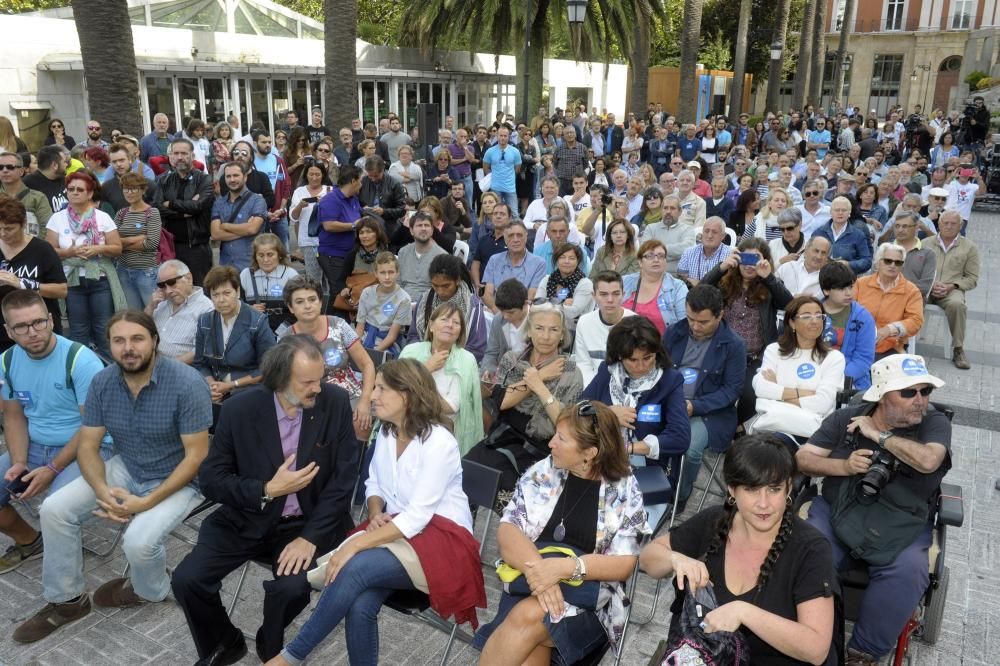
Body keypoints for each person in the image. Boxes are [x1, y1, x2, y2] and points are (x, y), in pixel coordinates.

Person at [266, 359, 486, 666]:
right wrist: (375, 509)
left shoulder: (439, 442)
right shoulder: (386, 432)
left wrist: (356, 543)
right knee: (359, 604)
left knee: (355, 566)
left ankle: (289, 657)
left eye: (382, 388)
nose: (371, 396)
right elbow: (373, 483)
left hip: (442, 540)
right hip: (397, 533)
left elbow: (418, 516)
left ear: (407, 394)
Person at [13, 310, 212, 644]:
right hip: (128, 464)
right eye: (118, 341)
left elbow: (197, 457)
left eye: (137, 339)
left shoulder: (186, 383)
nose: (128, 348)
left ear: (154, 341)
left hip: (181, 478)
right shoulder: (104, 382)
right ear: (109, 345)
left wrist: (145, 503)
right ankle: (69, 601)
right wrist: (104, 492)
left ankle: (150, 589)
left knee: (139, 542)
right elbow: (88, 446)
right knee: (54, 509)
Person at [172, 335, 360, 664]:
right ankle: (225, 642)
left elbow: (343, 482)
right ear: (279, 380)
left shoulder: (335, 401)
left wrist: (309, 538)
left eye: (320, 379)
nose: (317, 388)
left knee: (292, 589)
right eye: (307, 382)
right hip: (247, 516)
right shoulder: (238, 410)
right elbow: (212, 479)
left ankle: (269, 642)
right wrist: (267, 490)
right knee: (187, 580)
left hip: (306, 523)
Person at [796, 354, 950, 666]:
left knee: (909, 571)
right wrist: (843, 465)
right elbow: (803, 458)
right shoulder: (845, 419)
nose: (920, 400)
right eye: (909, 392)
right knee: (809, 552)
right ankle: (807, 636)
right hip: (838, 509)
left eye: (926, 391)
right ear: (881, 395)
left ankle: (863, 654)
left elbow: (929, 460)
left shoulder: (934, 423)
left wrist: (880, 436)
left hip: (902, 519)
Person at [474, 400, 650, 664]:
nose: (550, 443)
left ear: (589, 452)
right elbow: (508, 530)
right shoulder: (547, 470)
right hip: (531, 585)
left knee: (528, 616)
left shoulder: (624, 490)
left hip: (589, 603)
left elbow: (623, 564)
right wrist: (542, 575)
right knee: (530, 623)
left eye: (561, 438)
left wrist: (563, 569)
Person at [641, 434, 836, 666]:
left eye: (774, 489)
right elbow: (647, 560)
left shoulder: (810, 548)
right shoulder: (714, 521)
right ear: (732, 490)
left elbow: (816, 650)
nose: (764, 503)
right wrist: (675, 558)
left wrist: (744, 612)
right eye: (752, 489)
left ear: (788, 490)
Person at [0, 291, 110, 574]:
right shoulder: (7, 361)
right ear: (8, 332)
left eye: (38, 322)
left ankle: (68, 593)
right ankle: (30, 542)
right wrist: (19, 462)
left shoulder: (80, 360)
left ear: (51, 319)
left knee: (55, 510)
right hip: (37, 445)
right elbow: (13, 417)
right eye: (21, 327)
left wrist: (52, 468)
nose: (32, 332)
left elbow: (94, 427)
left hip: (91, 446)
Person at [466, 303, 585, 495]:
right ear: (529, 331)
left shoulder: (571, 370)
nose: (546, 336)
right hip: (502, 436)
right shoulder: (512, 360)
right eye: (539, 328)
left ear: (562, 334)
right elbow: (502, 401)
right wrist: (542, 374)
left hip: (541, 448)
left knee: (509, 486)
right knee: (468, 470)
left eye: (554, 329)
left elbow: (564, 422)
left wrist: (538, 385)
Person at [581, 317, 690, 526]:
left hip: (645, 473)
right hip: (600, 462)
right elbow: (579, 409)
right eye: (633, 360)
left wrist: (629, 448)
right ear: (620, 356)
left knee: (616, 525)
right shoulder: (608, 371)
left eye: (648, 358)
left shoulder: (669, 381)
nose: (641, 366)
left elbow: (680, 438)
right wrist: (608, 413)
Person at [664, 284, 746, 508]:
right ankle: (654, 486)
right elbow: (658, 371)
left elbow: (731, 391)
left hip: (710, 413)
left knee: (689, 448)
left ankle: (679, 496)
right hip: (670, 404)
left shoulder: (734, 345)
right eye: (691, 319)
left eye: (703, 322)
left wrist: (694, 406)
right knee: (640, 430)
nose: (695, 326)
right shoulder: (675, 332)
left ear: (720, 315)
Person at [702, 237, 793, 425]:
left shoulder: (771, 285)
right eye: (745, 258)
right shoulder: (724, 283)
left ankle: (739, 431)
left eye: (756, 259)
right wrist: (722, 267)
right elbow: (701, 292)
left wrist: (768, 277)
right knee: (711, 390)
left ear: (765, 260)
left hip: (755, 357)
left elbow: (789, 305)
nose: (749, 265)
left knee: (750, 396)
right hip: (722, 352)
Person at [278, 275, 374, 438]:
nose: (307, 306)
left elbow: (367, 364)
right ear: (291, 307)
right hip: (308, 399)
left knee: (361, 424)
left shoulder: (339, 325)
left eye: (312, 299)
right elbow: (284, 382)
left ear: (321, 302)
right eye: (300, 302)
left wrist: (365, 400)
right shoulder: (286, 339)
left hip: (348, 394)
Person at [45, 171, 124, 358]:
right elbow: (49, 252)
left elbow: (117, 248)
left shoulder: (103, 217)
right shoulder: (57, 218)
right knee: (78, 329)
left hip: (100, 279)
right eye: (70, 189)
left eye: (80, 189)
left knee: (103, 327)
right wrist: (69, 252)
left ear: (90, 194)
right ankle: (80, 368)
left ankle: (109, 370)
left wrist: (97, 249)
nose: (74, 192)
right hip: (72, 280)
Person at [750, 295, 845, 447]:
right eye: (806, 316)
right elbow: (761, 387)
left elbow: (823, 403)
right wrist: (805, 394)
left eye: (819, 316)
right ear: (792, 322)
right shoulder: (775, 350)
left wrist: (777, 395)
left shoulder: (833, 358)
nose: (814, 321)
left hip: (809, 432)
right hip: (773, 426)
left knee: (769, 450)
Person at [400, 302, 484, 454]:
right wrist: (426, 369)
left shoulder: (466, 360)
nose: (450, 325)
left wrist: (421, 380)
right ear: (431, 326)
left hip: (443, 431)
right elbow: (397, 393)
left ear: (460, 332)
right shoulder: (410, 351)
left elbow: (449, 408)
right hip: (407, 422)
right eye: (444, 319)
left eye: (456, 322)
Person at [193, 265, 277, 413]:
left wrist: (232, 384)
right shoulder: (204, 321)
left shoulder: (257, 321)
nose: (221, 300)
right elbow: (200, 363)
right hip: (216, 389)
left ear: (237, 291)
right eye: (215, 295)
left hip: (249, 389)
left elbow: (267, 368)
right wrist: (212, 386)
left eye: (226, 293)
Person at [0, 194, 66, 353]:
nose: (3, 234)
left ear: (23, 224)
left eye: (9, 229)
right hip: (4, 331)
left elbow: (62, 290)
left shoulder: (42, 249)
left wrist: (22, 284)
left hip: (37, 331)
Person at [148, 138, 215, 285]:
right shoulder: (162, 181)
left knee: (199, 290)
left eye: (184, 153)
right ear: (170, 157)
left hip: (196, 247)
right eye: (176, 153)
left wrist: (170, 203)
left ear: (192, 156)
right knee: (173, 290)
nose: (179, 157)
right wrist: (183, 211)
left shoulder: (204, 180)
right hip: (170, 247)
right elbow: (157, 208)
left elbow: (197, 207)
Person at [407, 253, 488, 362]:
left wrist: (446, 360)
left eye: (446, 286)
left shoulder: (473, 306)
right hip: (424, 360)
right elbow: (413, 337)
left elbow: (476, 348)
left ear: (457, 280)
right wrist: (428, 357)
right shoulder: (424, 300)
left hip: (459, 364)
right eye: (435, 285)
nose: (440, 291)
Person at [927, 209, 979, 370]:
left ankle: (958, 349)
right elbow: (916, 270)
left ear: (960, 225)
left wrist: (952, 286)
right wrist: (931, 284)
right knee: (908, 298)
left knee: (958, 305)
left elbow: (972, 278)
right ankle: (903, 341)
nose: (949, 226)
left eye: (953, 223)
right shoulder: (926, 243)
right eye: (945, 223)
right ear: (939, 224)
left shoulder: (970, 247)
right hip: (927, 286)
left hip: (952, 289)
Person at [855, 243, 924, 360]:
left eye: (898, 262)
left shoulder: (911, 290)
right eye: (888, 261)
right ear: (878, 262)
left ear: (902, 266)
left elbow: (916, 321)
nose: (893, 265)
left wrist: (891, 329)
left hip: (890, 347)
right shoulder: (861, 284)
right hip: (857, 342)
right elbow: (848, 310)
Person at [818, 262, 876, 392]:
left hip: (849, 381)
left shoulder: (863, 317)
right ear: (826, 290)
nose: (848, 293)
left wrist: (836, 379)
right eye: (841, 289)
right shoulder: (811, 311)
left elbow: (863, 359)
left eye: (850, 287)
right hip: (814, 375)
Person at [146, 260, 214, 364]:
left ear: (188, 278)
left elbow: (201, 350)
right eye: (162, 285)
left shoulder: (206, 309)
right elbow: (140, 328)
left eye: (172, 283)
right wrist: (150, 307)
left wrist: (169, 366)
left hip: (180, 369)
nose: (168, 290)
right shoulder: (161, 303)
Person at [113, 172, 160, 310]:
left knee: (153, 313)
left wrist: (122, 244)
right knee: (134, 315)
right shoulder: (121, 213)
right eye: (126, 189)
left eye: (133, 188)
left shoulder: (152, 213)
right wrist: (137, 238)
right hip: (123, 270)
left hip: (145, 271)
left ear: (143, 190)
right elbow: (112, 241)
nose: (129, 192)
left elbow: (151, 244)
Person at [621, 239, 688, 336]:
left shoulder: (678, 287)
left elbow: (684, 324)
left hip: (662, 347)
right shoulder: (624, 282)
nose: (656, 260)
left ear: (665, 261)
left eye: (660, 256)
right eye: (650, 256)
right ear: (640, 262)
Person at [210, 161, 268, 273]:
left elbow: (252, 229)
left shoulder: (257, 200)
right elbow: (216, 234)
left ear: (245, 177)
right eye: (228, 176)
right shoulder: (219, 203)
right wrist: (245, 229)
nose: (232, 180)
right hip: (226, 265)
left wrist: (225, 225)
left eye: (236, 175)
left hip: (251, 265)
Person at [316, 166, 364, 300]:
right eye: (360, 181)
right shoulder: (331, 199)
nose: (361, 185)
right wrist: (354, 225)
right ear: (353, 181)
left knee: (347, 289)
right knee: (338, 292)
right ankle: (332, 319)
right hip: (333, 255)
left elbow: (358, 215)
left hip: (349, 254)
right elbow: (329, 225)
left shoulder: (353, 199)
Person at [482, 220, 548, 312]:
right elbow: (487, 293)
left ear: (526, 237)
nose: (515, 239)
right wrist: (496, 310)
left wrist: (510, 314)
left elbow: (531, 296)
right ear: (505, 239)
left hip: (522, 313)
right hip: (495, 311)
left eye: (519, 235)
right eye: (511, 236)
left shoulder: (539, 263)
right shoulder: (494, 259)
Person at [289, 160, 333, 284]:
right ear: (306, 175)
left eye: (317, 174)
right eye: (311, 174)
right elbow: (293, 217)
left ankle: (329, 302)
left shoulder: (329, 190)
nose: (314, 178)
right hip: (308, 240)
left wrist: (325, 203)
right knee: (313, 278)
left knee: (330, 278)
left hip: (327, 239)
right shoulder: (299, 192)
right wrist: (300, 206)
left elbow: (335, 214)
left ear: (323, 175)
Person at [535, 242, 594, 331]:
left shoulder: (585, 284)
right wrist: (561, 304)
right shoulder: (547, 279)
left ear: (578, 261)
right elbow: (537, 305)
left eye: (571, 258)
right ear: (556, 260)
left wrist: (547, 303)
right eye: (562, 257)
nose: (566, 261)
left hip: (574, 330)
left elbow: (573, 312)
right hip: (546, 327)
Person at [812, 196, 872, 274]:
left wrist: (848, 264)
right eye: (837, 210)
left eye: (844, 210)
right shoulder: (819, 232)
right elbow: (808, 256)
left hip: (846, 278)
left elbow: (867, 261)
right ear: (830, 212)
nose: (840, 213)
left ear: (849, 212)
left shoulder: (858, 235)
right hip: (819, 276)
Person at [638, 195, 696, 274]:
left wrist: (657, 252)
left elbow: (687, 250)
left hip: (677, 276)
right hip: (652, 274)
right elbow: (645, 250)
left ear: (680, 212)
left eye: (672, 208)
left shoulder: (687, 229)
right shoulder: (651, 228)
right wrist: (674, 255)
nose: (668, 211)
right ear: (661, 210)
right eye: (665, 208)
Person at [0, 152, 52, 238]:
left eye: (10, 167)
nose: (5, 170)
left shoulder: (38, 198)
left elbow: (47, 228)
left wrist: (35, 249)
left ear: (21, 171)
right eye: (0, 167)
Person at [358, 155, 407, 238]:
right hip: (366, 226)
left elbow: (402, 210)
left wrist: (384, 211)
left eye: (376, 176)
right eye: (370, 176)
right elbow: (355, 201)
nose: (373, 179)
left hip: (388, 228)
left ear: (383, 170)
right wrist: (363, 207)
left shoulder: (394, 184)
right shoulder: (363, 182)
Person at [890, 211, 936, 298]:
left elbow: (925, 287)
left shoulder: (928, 253)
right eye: (897, 226)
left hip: (913, 299)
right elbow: (876, 277)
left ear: (916, 227)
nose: (900, 230)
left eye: (905, 226)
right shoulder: (885, 249)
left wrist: (895, 288)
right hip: (885, 297)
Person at [677, 216, 733, 285]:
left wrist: (699, 284)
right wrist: (688, 280)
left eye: (714, 232)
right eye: (706, 231)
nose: (709, 236)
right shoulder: (688, 252)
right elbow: (680, 277)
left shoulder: (730, 254)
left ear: (723, 236)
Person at [483, 126, 522, 214]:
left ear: (509, 137)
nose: (503, 138)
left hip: (510, 187)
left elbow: (518, 168)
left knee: (514, 213)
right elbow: (485, 168)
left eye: (505, 136)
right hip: (495, 187)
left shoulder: (515, 151)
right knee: (497, 213)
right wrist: (494, 176)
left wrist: (509, 176)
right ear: (497, 136)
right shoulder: (490, 151)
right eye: (501, 135)